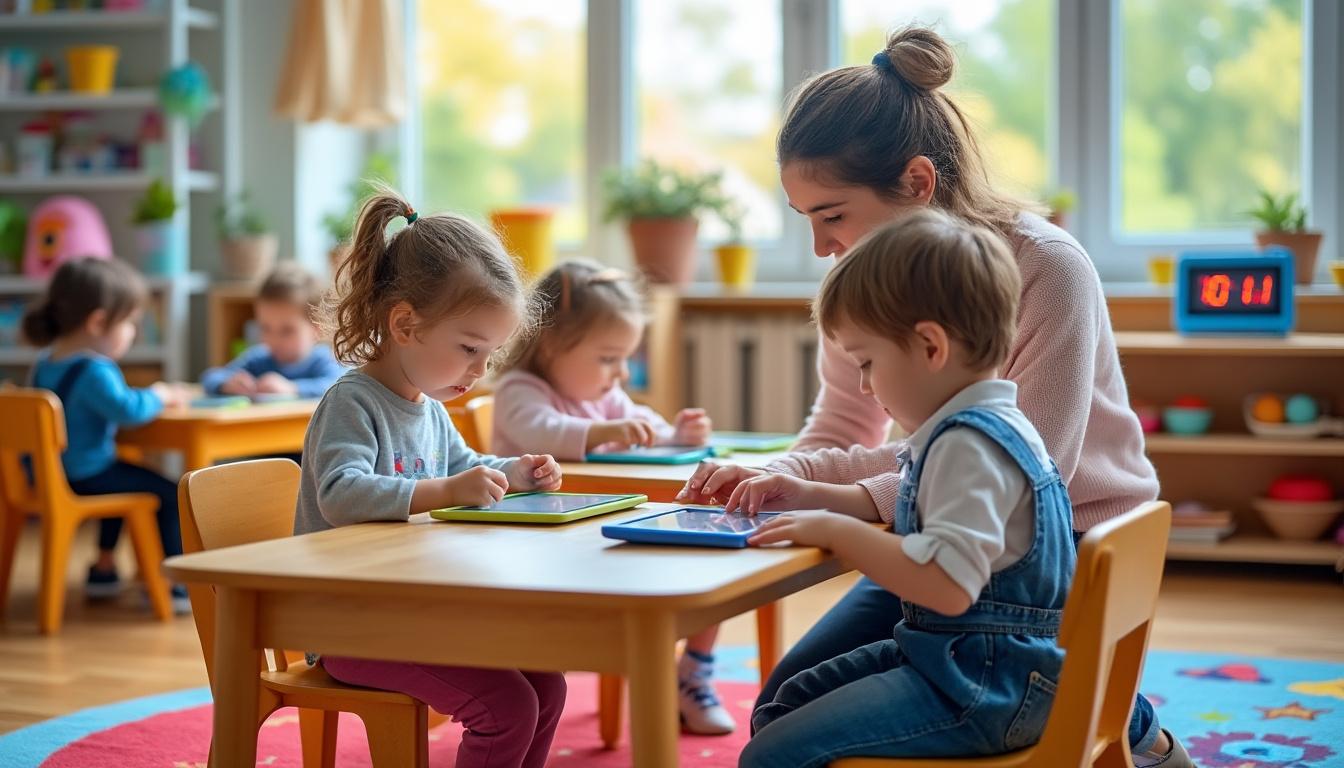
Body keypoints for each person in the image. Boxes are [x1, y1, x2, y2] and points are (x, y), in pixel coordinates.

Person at [678, 25, 1185, 767]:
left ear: (917, 182)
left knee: (839, 718)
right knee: (784, 705)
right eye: (806, 222)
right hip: (940, 521)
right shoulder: (860, 277)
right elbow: (844, 422)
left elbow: (1029, 464)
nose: (823, 248)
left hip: (1062, 545)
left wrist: (838, 508)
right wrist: (781, 483)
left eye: (832, 216)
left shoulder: (1047, 266)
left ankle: (1115, 712)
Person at [740, 208, 1074, 765]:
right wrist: (807, 494)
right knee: (782, 704)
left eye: (867, 362)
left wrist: (839, 532)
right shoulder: (987, 426)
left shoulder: (968, 446)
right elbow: (909, 504)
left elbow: (946, 586)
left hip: (981, 685)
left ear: (930, 346)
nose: (866, 386)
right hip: (967, 663)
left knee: (769, 755)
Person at [294, 189, 566, 768]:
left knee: (547, 683)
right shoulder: (353, 402)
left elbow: (465, 470)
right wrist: (444, 491)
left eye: (489, 356)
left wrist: (514, 472)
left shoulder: (431, 408)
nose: (478, 371)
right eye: (469, 348)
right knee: (507, 707)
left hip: (409, 615)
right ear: (405, 325)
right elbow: (341, 495)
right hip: (348, 626)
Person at [492, 259, 732, 734]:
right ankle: (663, 663)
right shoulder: (519, 390)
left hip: (597, 538)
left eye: (626, 359)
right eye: (607, 358)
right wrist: (606, 429)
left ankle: (694, 669)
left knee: (711, 559)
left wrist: (678, 434)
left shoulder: (606, 397)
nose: (620, 374)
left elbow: (647, 431)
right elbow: (545, 431)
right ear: (551, 344)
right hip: (533, 555)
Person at [23, 257, 191, 611]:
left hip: (47, 476)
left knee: (123, 472)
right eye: (130, 322)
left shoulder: (45, 361)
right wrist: (160, 394)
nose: (132, 332)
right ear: (98, 321)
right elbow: (128, 410)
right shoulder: (95, 370)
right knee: (169, 492)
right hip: (84, 475)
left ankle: (103, 569)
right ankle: (174, 586)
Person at [200, 262, 345, 399]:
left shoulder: (323, 361)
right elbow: (211, 377)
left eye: (287, 330)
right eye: (265, 328)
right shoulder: (258, 359)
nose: (274, 339)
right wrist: (227, 384)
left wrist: (292, 388)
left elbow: (336, 387)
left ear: (316, 330)